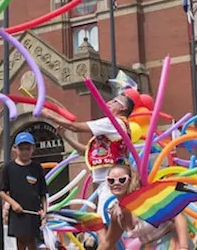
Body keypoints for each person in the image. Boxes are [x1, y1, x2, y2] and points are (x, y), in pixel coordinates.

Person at [44, 89, 135, 221]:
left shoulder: (113, 122)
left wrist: (49, 115)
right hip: (107, 184)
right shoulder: (116, 128)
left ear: (123, 107)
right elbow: (86, 151)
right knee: (106, 228)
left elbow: (74, 127)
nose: (108, 103)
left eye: (115, 101)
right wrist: (65, 137)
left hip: (111, 184)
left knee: (106, 228)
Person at [0, 131, 49, 250]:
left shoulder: (37, 168)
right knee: (20, 245)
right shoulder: (8, 168)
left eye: (28, 148)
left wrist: (44, 213)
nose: (25, 151)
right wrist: (12, 204)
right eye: (21, 148)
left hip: (33, 212)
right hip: (17, 213)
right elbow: (1, 191)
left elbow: (43, 193)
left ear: (33, 149)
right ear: (15, 149)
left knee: (32, 244)